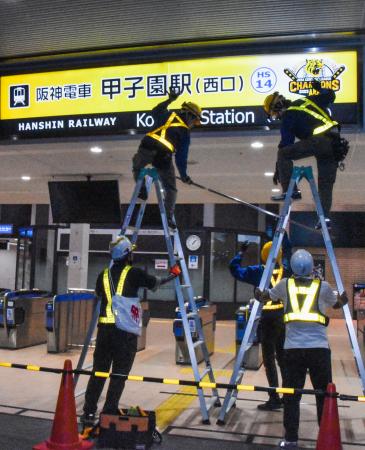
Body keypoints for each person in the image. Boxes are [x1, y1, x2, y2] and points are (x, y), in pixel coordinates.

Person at [81, 235, 180, 429]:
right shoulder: (134, 273)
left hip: (104, 332)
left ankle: (88, 412)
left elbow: (98, 296)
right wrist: (174, 274)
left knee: (98, 373)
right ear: (127, 255)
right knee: (119, 375)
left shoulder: (103, 275)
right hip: (124, 334)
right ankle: (108, 412)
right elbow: (155, 283)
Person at [255, 249, 348, 449]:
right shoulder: (322, 287)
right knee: (323, 395)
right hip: (319, 350)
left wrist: (258, 292)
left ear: (293, 267)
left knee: (291, 396)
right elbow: (338, 304)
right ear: (312, 267)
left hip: (293, 350)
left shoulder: (283, 285)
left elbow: (265, 297)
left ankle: (290, 439)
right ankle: (325, 436)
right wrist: (344, 299)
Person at [263, 81, 349, 229]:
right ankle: (325, 219)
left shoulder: (288, 115)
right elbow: (330, 95)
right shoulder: (306, 100)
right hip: (335, 146)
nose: (277, 116)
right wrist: (320, 87)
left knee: (283, 154)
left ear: (277, 106)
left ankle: (291, 192)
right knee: (325, 185)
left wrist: (280, 168)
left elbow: (286, 145)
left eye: (275, 113)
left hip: (319, 142)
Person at [229, 236, 292, 411]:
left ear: (264, 255)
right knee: (282, 358)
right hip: (282, 317)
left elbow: (234, 270)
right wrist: (284, 237)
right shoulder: (285, 271)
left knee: (269, 359)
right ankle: (288, 397)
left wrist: (241, 252)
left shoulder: (258, 271)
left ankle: (274, 398)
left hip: (266, 317)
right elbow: (289, 251)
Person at [132, 88, 202, 229]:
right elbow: (181, 158)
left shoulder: (167, 115)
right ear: (189, 115)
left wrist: (170, 100)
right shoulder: (185, 133)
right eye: (194, 120)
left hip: (147, 146)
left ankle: (142, 190)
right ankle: (168, 218)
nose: (193, 124)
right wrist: (183, 176)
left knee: (137, 166)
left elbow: (155, 110)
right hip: (163, 157)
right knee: (170, 189)